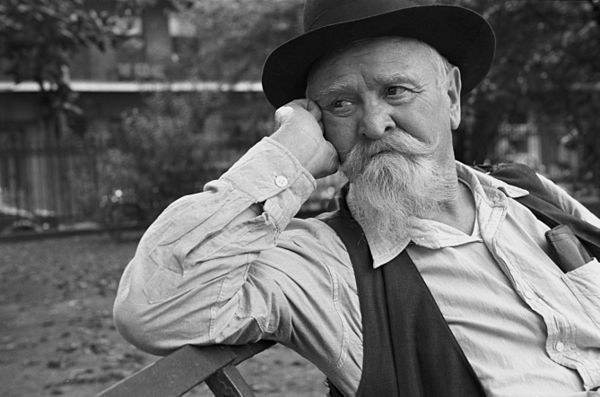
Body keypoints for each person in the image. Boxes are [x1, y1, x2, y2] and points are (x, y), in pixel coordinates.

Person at [113, 0, 600, 396]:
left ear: (450, 96)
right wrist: (288, 155)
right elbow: (154, 309)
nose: (373, 124)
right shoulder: (326, 266)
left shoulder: (525, 192)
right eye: (341, 104)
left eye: (396, 90)